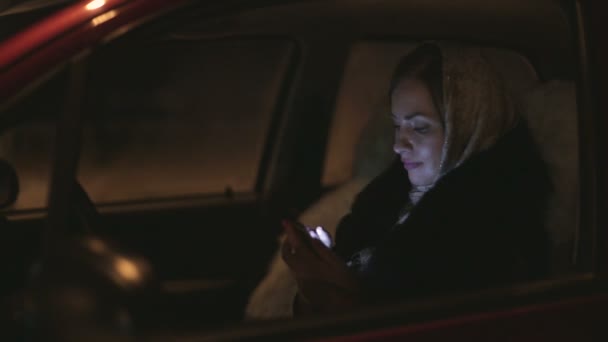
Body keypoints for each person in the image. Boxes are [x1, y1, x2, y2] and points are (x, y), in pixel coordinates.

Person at [281, 42, 552, 315]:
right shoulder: (386, 198)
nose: (399, 144)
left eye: (420, 128)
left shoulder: (492, 229)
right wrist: (312, 288)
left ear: (469, 126)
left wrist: (347, 300)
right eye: (397, 125)